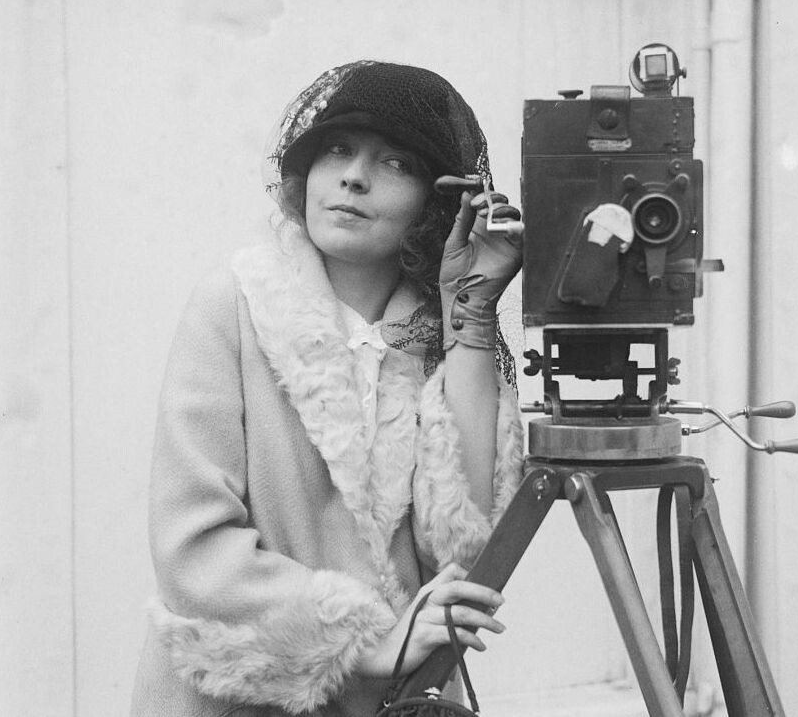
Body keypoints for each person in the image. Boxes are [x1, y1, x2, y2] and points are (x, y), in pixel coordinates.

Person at [130, 61, 526, 717]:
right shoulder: (233, 304)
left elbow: (461, 547)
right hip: (235, 701)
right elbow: (192, 550)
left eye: (395, 162)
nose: (354, 176)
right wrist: (363, 644)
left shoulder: (440, 338)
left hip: (397, 701)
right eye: (337, 149)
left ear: (434, 204)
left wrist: (471, 319)